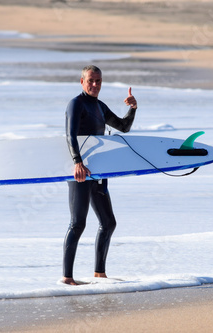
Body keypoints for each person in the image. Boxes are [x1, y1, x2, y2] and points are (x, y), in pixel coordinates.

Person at [63, 65, 138, 285]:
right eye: (91, 81)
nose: (95, 85)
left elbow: (123, 127)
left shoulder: (99, 107)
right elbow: (70, 135)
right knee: (78, 223)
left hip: (98, 173)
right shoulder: (76, 104)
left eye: (98, 81)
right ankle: (67, 278)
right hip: (80, 172)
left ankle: (99, 274)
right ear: (82, 81)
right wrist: (77, 162)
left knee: (108, 222)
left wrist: (133, 109)